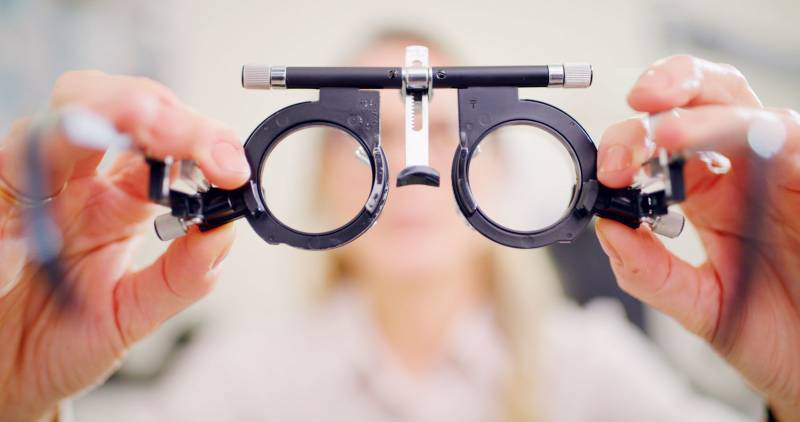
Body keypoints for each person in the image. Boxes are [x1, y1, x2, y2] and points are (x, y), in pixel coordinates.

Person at [1, 31, 799, 422]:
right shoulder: (244, 378)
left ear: (499, 171)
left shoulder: (590, 368)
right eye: (365, 141)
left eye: (447, 132)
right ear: (317, 184)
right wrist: (15, 395)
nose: (410, 175)